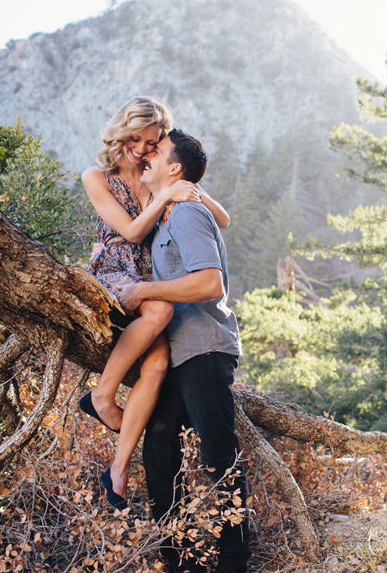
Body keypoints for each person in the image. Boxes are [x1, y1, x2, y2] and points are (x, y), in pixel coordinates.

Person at [80, 96, 231, 510]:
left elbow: (223, 220)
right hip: (114, 270)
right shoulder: (97, 177)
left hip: (148, 277)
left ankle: (118, 470)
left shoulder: (154, 174)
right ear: (121, 132)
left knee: (159, 363)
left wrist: (188, 189)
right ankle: (101, 395)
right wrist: (167, 196)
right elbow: (129, 233)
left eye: (152, 142)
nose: (142, 149)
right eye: (136, 138)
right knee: (162, 310)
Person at [117, 129, 251, 573]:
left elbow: (210, 282)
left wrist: (145, 291)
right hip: (174, 354)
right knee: (158, 451)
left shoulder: (188, 214)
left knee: (217, 454)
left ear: (174, 169)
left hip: (203, 348)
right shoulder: (164, 215)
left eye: (156, 152)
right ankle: (178, 562)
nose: (146, 157)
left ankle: (234, 563)